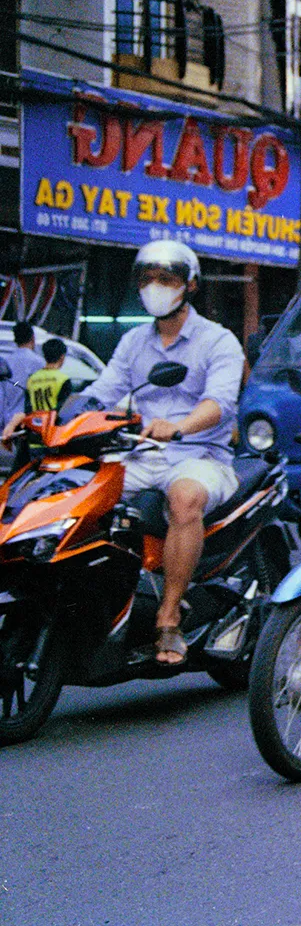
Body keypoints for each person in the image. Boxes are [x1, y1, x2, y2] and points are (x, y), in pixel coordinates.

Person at [3, 242, 244, 665]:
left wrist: (179, 426)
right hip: (137, 454)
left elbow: (219, 403)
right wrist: (44, 419)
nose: (155, 288)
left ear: (190, 285)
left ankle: (169, 618)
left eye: (165, 280)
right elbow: (101, 393)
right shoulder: (134, 341)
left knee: (185, 499)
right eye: (148, 280)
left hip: (198, 454)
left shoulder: (217, 340)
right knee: (66, 490)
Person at [2, 321, 45, 425]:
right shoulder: (39, 362)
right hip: (26, 420)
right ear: (33, 338)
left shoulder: (6, 361)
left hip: (4, 418)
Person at [25, 338, 71, 412]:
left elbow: (27, 407)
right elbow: (64, 410)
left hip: (34, 421)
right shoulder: (63, 379)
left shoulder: (32, 378)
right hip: (53, 422)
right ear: (62, 357)